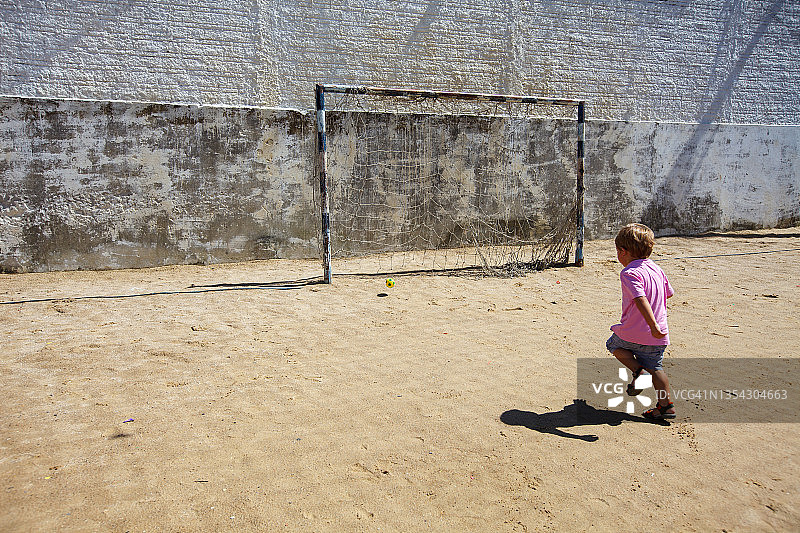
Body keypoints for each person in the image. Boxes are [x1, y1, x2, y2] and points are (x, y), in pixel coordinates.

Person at [606, 223, 676, 420]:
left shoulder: (629, 272)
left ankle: (638, 371)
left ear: (623, 251)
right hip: (658, 335)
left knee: (614, 346)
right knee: (657, 368)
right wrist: (656, 325)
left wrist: (651, 324)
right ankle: (666, 406)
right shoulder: (657, 269)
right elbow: (669, 293)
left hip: (635, 330)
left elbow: (639, 298)